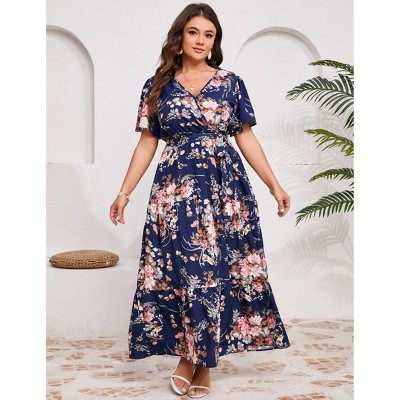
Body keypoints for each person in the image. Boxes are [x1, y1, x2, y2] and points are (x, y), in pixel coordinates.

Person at [109, 3, 291, 398]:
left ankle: (200, 363)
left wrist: (274, 185)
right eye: (194, 32)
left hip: (224, 190)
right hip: (175, 190)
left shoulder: (230, 84)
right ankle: (193, 356)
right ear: (180, 36)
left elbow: (245, 136)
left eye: (209, 35)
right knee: (183, 274)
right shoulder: (157, 86)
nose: (201, 41)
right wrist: (124, 192)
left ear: (215, 42)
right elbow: (147, 143)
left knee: (216, 272)